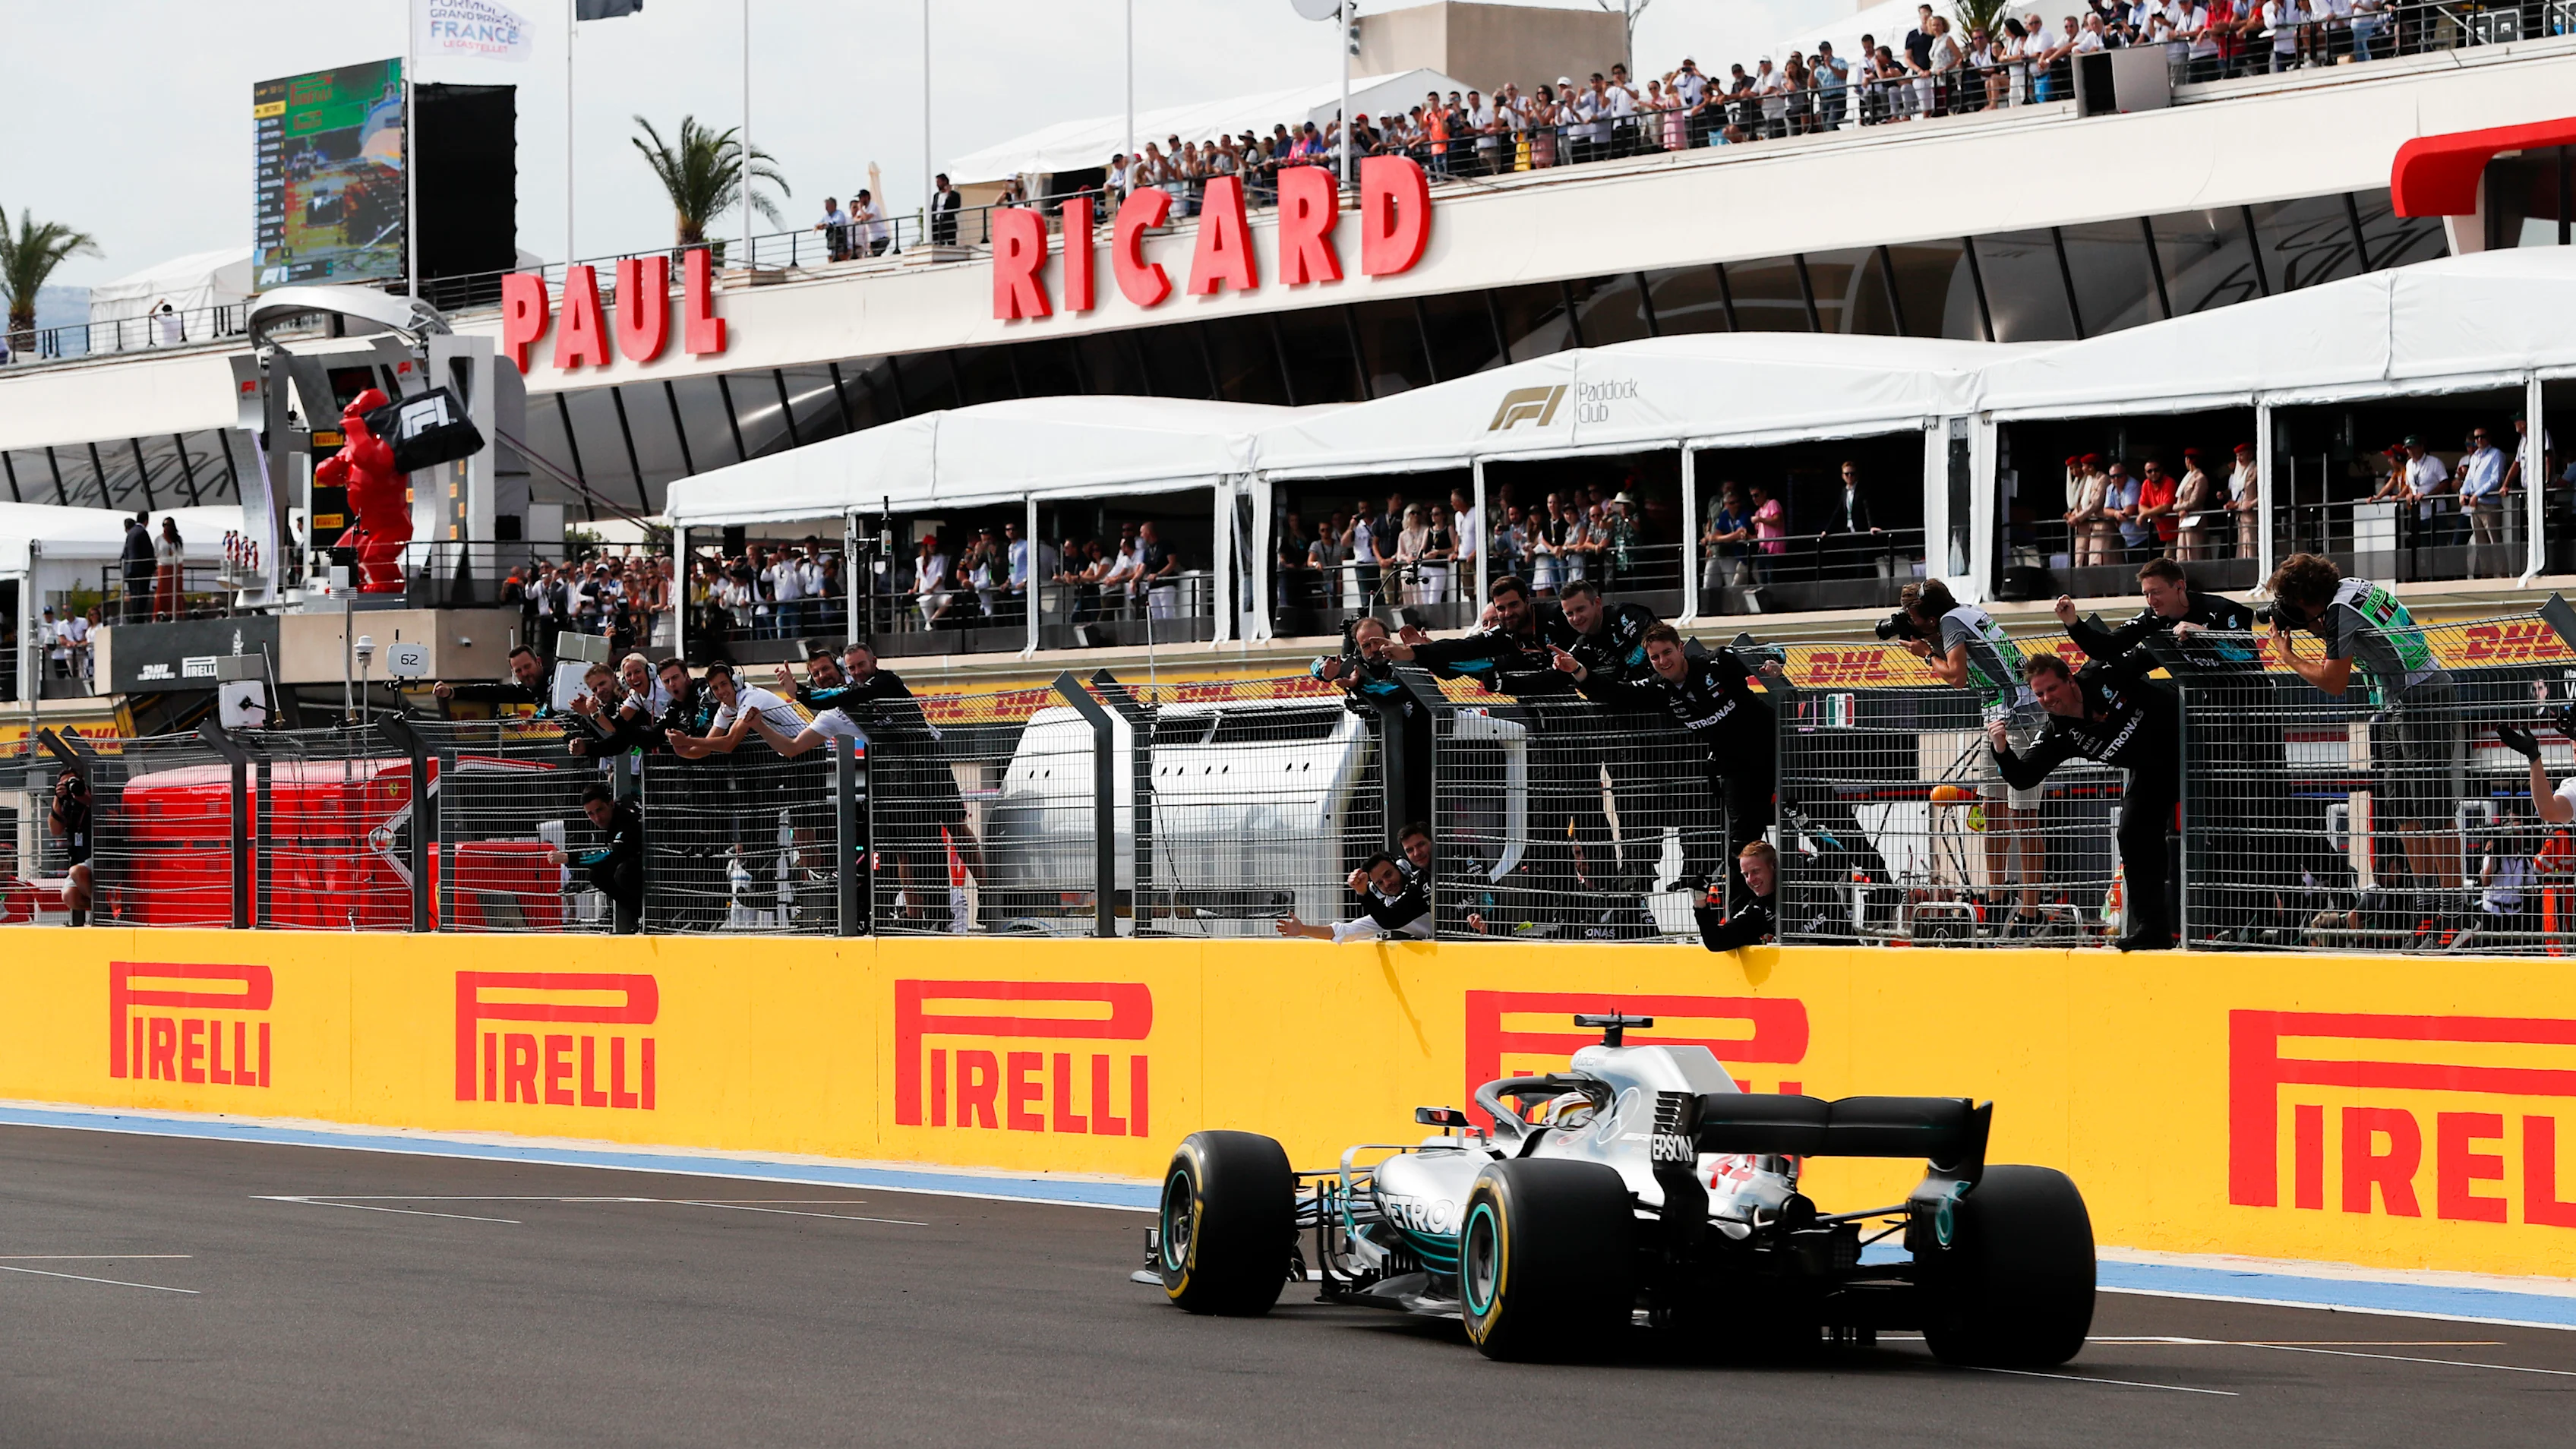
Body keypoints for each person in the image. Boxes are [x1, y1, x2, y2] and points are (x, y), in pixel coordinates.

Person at [2264, 553, 2467, 945]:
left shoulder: (2339, 611)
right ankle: (2426, 906)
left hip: (2424, 697)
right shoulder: (2348, 590)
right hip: (2396, 701)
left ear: (2305, 600)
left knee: (2431, 805)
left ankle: (2457, 910)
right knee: (2402, 806)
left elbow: (2334, 682)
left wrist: (2287, 654)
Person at [1553, 620, 1784, 900]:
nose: (1663, 661)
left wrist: (1773, 664)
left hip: (1778, 752)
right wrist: (1577, 670)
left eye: (1667, 652)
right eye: (1655, 657)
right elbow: (1616, 692)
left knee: (1821, 813)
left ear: (1681, 649)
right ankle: (1745, 913)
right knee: (1741, 842)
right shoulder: (1660, 688)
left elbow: (1773, 651)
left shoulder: (1717, 662)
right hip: (1736, 768)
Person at [1990, 651, 2182, 950]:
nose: (2047, 698)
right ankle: (2153, 928)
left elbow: (2150, 652)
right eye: (2039, 693)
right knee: (2131, 834)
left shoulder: (2101, 673)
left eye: (2052, 688)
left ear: (2070, 680)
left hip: (2191, 739)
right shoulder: (2058, 732)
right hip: (2152, 769)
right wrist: (2001, 748)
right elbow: (2024, 777)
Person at [1897, 579, 2049, 935]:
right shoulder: (1968, 611)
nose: (1911, 623)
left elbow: (1957, 676)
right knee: (1992, 809)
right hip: (1997, 716)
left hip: (2022, 717)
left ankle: (2030, 912)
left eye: (1913, 616)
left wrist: (1926, 655)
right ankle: (1996, 901)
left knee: (2022, 816)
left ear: (1930, 617)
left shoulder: (1951, 622)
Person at [1274, 852, 1431, 942]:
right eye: (1380, 882)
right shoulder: (1385, 912)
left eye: (1389, 874)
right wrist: (1303, 930)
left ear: (1400, 867)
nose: (1388, 883)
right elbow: (1345, 930)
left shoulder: (1426, 877)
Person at [551, 783, 643, 933]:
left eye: (599, 810)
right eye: (590, 814)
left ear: (611, 804)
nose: (597, 818)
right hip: (632, 861)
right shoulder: (606, 819)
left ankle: (644, 913)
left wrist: (570, 858)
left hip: (656, 865)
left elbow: (610, 854)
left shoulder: (626, 820)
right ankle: (632, 912)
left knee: (623, 872)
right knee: (596, 875)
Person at [1694, 840, 1780, 952]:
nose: (1750, 880)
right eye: (1746, 874)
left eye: (1756, 871)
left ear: (1774, 865)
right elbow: (1717, 941)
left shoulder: (1804, 878)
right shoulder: (1758, 909)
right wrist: (1699, 902)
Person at [433, 644, 551, 717]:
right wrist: (452, 692)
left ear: (539, 662)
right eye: (518, 671)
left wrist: (537, 717)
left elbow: (551, 706)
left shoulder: (556, 677)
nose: (524, 674)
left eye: (527, 667)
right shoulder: (526, 690)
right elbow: (489, 692)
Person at [2457, 425, 2508, 576]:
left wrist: (2477, 494)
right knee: (2481, 544)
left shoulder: (2496, 454)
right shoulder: (2474, 458)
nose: (2478, 440)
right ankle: (2487, 577)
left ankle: (2504, 576)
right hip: (2475, 505)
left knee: (2495, 542)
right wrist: (2462, 493)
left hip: (2489, 504)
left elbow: (2496, 479)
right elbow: (2469, 479)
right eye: (2476, 437)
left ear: (2489, 438)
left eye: (2482, 436)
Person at [49, 770, 93, 919]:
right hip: (79, 860)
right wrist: (58, 798)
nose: (70, 787)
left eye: (72, 782)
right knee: (69, 896)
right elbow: (55, 830)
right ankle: (101, 906)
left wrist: (82, 796)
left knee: (76, 872)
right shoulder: (66, 803)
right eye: (65, 784)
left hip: (100, 857)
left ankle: (102, 910)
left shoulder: (95, 795)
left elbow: (108, 817)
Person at [119, 513, 154, 623]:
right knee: (141, 595)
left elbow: (126, 552)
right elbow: (148, 552)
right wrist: (153, 567)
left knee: (134, 595)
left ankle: (135, 618)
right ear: (146, 521)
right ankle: (139, 618)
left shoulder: (130, 533)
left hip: (131, 570)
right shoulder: (142, 532)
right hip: (141, 570)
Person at [153, 515, 185, 620]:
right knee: (162, 591)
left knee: (176, 591)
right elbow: (156, 554)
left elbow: (181, 553)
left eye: (168, 525)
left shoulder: (178, 539)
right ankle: (160, 614)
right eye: (164, 525)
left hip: (176, 567)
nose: (166, 527)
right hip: (164, 567)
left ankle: (177, 613)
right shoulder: (159, 539)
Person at [929, 173, 962, 246]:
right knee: (938, 244)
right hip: (937, 224)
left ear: (944, 182)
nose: (937, 184)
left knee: (951, 244)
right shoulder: (936, 196)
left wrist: (949, 194)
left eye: (939, 182)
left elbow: (956, 208)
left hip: (948, 223)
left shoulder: (955, 195)